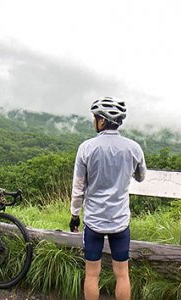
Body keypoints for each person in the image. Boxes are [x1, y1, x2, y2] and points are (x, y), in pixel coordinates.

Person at [69, 97, 146, 300]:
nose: (93, 121)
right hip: (120, 221)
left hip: (93, 221)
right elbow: (141, 176)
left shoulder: (86, 148)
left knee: (92, 274)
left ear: (102, 120)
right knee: (122, 274)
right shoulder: (134, 148)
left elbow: (78, 187)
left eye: (95, 117)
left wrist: (74, 215)